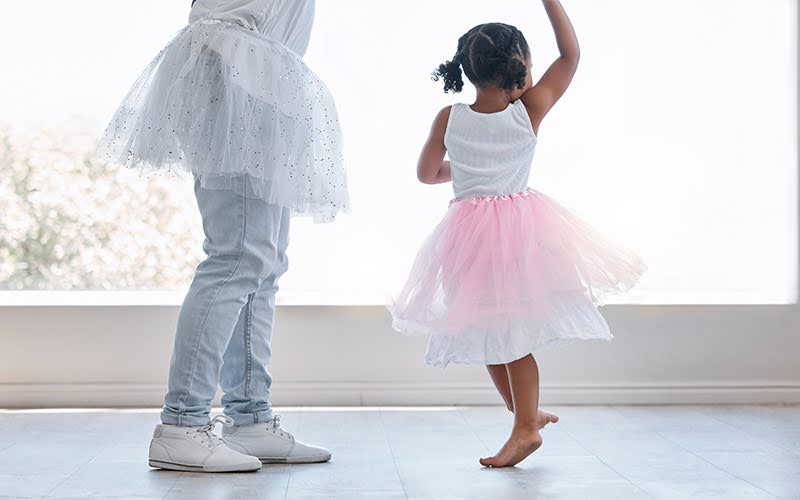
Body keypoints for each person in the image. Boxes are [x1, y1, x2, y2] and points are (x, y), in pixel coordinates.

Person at [390, 0, 645, 468]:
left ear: (467, 69)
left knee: (494, 334)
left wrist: (468, 171)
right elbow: (570, 58)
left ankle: (524, 423)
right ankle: (525, 416)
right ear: (522, 69)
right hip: (520, 234)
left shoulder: (449, 118)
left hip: (467, 236)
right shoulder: (528, 111)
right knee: (501, 335)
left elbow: (428, 174)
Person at [97, 0, 348, 473]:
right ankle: (181, 426)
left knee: (263, 264)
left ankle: (249, 418)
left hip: (255, 72)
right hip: (236, 69)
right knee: (237, 258)